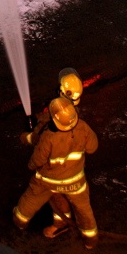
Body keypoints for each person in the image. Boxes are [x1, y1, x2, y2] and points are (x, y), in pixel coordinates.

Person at [13, 96, 99, 249]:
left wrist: (30, 165)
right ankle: (90, 241)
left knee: (29, 202)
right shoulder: (83, 127)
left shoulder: (49, 136)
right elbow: (93, 148)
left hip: (47, 181)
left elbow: (37, 160)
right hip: (75, 182)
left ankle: (20, 222)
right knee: (84, 211)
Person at [20, 67, 84, 238]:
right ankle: (61, 221)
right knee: (58, 193)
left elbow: (41, 139)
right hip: (67, 166)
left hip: (55, 168)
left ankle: (60, 224)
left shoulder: (60, 116)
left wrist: (26, 137)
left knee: (55, 194)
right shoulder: (72, 113)